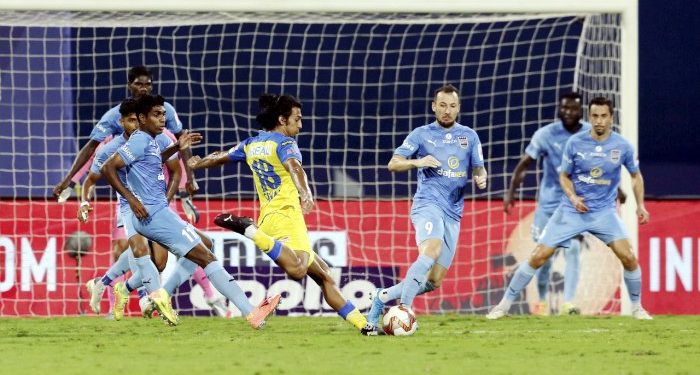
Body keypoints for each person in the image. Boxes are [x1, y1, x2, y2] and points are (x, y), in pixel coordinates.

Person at [188, 93, 373, 334]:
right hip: (286, 216)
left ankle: (364, 325)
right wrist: (305, 192)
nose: (301, 124)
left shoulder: (251, 144)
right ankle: (249, 229)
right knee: (297, 270)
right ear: (282, 120)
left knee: (324, 275)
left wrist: (198, 163)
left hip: (271, 217)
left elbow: (221, 156)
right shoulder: (285, 144)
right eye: (297, 119)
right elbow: (295, 167)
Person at [101, 94, 279, 328]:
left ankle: (148, 292)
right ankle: (250, 312)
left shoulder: (151, 141)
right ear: (142, 118)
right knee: (206, 256)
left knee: (203, 247)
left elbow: (149, 161)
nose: (162, 119)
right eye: (156, 114)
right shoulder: (140, 140)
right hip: (155, 216)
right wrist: (132, 200)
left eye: (163, 114)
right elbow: (108, 168)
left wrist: (176, 147)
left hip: (158, 214)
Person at [487, 97, 652, 320]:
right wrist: (573, 198)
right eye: (595, 116)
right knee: (538, 256)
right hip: (571, 211)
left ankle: (636, 309)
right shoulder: (575, 143)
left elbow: (635, 176)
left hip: (604, 213)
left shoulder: (622, 146)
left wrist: (640, 205)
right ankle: (503, 306)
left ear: (611, 118)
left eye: (604, 116)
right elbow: (564, 176)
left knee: (629, 257)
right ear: (590, 117)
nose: (599, 121)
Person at [79, 99, 228, 319]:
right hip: (128, 207)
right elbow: (91, 180)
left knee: (159, 261)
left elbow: (174, 170)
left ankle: (106, 284)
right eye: (129, 121)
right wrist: (84, 201)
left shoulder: (159, 138)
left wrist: (170, 199)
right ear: (122, 122)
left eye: (135, 120)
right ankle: (150, 304)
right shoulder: (110, 148)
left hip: (157, 203)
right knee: (135, 250)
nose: (133, 125)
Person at [365, 84, 487, 333]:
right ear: (434, 106)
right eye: (442, 105)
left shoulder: (470, 136)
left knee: (433, 281)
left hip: (454, 211)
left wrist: (481, 176)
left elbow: (478, 167)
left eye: (452, 106)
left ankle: (382, 296)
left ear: (458, 108)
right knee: (431, 249)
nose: (447, 110)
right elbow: (393, 164)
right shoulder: (421, 134)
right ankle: (405, 309)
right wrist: (417, 161)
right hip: (427, 204)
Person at [53, 65, 200, 222]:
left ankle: (183, 195)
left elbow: (182, 142)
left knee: (170, 141)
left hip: (156, 168)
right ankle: (74, 186)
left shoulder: (164, 111)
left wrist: (191, 178)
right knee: (103, 147)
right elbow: (91, 147)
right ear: (130, 85)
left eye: (147, 84)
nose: (143, 89)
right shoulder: (115, 115)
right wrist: (68, 178)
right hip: (129, 168)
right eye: (139, 84)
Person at [503, 92, 590, 316]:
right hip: (549, 205)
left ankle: (569, 303)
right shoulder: (546, 135)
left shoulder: (589, 133)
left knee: (573, 249)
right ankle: (541, 303)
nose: (569, 112)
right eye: (565, 108)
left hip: (574, 204)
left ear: (581, 111)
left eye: (574, 109)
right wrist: (511, 191)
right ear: (559, 110)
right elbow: (524, 164)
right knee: (544, 255)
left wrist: (617, 190)